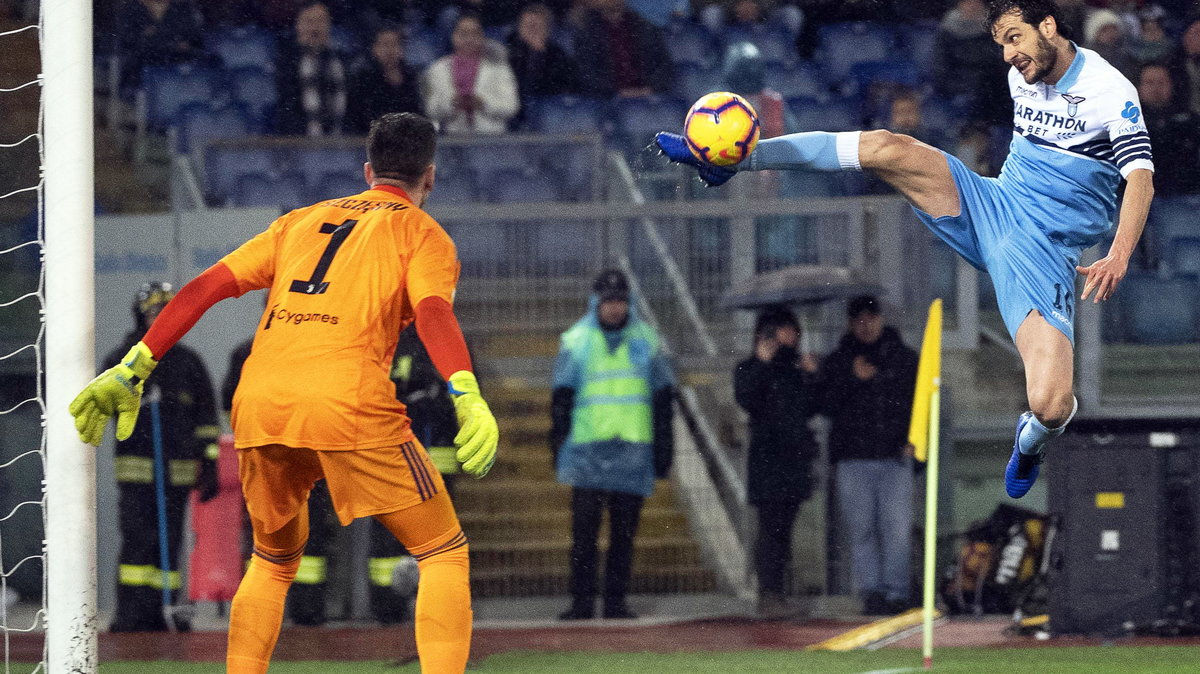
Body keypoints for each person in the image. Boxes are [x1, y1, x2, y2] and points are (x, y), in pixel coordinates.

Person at [657, 0, 1156, 499]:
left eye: (1014, 39)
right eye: (1000, 43)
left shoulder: (1109, 91)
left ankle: (1031, 441)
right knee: (886, 147)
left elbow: (1141, 178)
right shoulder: (1022, 74)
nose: (1008, 55)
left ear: (1047, 26)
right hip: (993, 204)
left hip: (1040, 250)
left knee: (1049, 403)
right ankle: (735, 161)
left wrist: (1118, 253)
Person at [70, 112, 499, 674]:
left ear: (368, 170)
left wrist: (135, 364)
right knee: (443, 551)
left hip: (262, 401)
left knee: (272, 561)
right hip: (345, 398)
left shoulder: (299, 221)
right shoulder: (422, 233)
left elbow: (204, 288)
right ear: (430, 178)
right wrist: (466, 392)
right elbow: (434, 313)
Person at [551, 270, 676, 620]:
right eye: (608, 301)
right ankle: (581, 602)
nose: (614, 308)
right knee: (584, 536)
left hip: (632, 453)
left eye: (619, 300)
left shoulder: (647, 341)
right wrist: (558, 444)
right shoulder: (576, 341)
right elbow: (561, 398)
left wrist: (664, 450)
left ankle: (615, 602)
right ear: (596, 302)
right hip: (588, 452)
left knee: (623, 537)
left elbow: (664, 398)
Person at [107, 282, 220, 632]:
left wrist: (211, 462)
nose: (162, 319)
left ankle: (165, 613)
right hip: (138, 474)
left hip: (178, 475)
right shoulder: (123, 359)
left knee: (169, 546)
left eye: (168, 313)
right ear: (141, 317)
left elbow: (206, 419)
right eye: (155, 312)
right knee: (138, 544)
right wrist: (134, 397)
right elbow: (105, 400)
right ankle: (132, 615)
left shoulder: (189, 363)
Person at [819, 296, 918, 615]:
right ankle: (872, 592)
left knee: (896, 529)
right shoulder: (837, 361)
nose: (865, 324)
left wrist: (913, 441)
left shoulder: (904, 358)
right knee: (863, 529)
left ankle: (896, 592)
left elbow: (918, 403)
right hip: (853, 458)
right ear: (850, 323)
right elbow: (824, 404)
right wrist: (852, 379)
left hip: (894, 458)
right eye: (858, 319)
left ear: (880, 319)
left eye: (870, 317)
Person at [733, 305, 820, 619]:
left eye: (793, 330)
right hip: (768, 464)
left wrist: (812, 377)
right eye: (784, 330)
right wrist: (762, 363)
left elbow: (813, 407)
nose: (791, 336)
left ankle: (778, 593)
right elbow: (747, 399)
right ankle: (768, 593)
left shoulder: (797, 371)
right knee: (770, 531)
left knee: (784, 531)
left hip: (794, 463)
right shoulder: (749, 367)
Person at [422, 13, 520, 134]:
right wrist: (451, 104)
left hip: (491, 139)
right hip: (452, 139)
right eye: (463, 33)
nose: (469, 39)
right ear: (453, 36)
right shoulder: (437, 69)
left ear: (482, 37)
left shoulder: (499, 67)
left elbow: (511, 106)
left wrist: (483, 103)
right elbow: (430, 110)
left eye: (475, 33)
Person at [274, 2, 350, 136]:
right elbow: (286, 109)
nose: (315, 28)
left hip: (342, 142)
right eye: (309, 22)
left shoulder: (343, 61)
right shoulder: (286, 63)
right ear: (298, 26)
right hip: (300, 144)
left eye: (320, 21)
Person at [573, 0, 674, 98]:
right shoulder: (587, 32)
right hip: (607, 100)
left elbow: (663, 64)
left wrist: (649, 89)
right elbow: (587, 73)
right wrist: (616, 92)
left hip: (647, 96)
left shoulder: (645, 27)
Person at [507, 3, 578, 125]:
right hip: (513, 109)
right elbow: (512, 83)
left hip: (548, 110)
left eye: (537, 26)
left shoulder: (557, 54)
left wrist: (539, 55)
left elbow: (563, 86)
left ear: (547, 29)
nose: (532, 31)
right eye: (528, 26)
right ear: (519, 27)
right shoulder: (508, 50)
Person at [115, 0, 205, 94]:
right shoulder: (130, 10)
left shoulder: (183, 8)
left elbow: (193, 39)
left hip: (178, 69)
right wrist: (171, 43)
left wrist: (154, 37)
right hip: (140, 72)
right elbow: (130, 41)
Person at [1137, 63, 1200, 197]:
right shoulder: (1124, 120)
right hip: (1134, 195)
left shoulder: (1190, 119)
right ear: (1139, 87)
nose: (1156, 88)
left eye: (1161, 82)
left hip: (1181, 195)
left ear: (1171, 85)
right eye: (1149, 82)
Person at [347, 28, 425, 135]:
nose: (390, 50)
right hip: (369, 139)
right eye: (385, 44)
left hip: (406, 140)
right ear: (375, 49)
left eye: (394, 44)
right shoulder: (364, 78)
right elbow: (358, 116)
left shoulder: (410, 77)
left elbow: (418, 113)